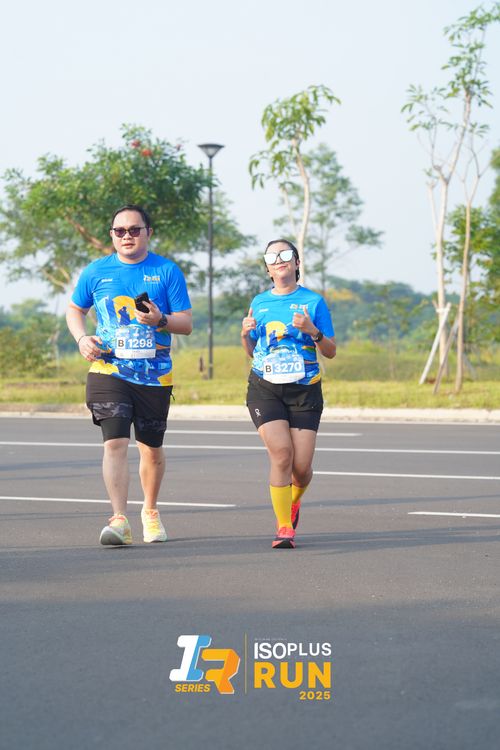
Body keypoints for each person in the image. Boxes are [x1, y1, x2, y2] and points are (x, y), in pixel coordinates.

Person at [66, 204, 192, 546]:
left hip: (154, 376)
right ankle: (119, 519)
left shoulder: (166, 271)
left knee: (151, 449)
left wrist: (160, 320)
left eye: (134, 230)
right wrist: (82, 339)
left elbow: (186, 323)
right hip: (108, 369)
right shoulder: (97, 271)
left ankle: (149, 510)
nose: (127, 236)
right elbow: (75, 309)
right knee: (115, 442)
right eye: (119, 231)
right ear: (112, 235)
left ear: (148, 233)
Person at [241, 239, 336, 549]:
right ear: (267, 269)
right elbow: (252, 351)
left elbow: (330, 350)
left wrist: (312, 331)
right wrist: (244, 334)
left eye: (284, 254)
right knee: (282, 454)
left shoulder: (313, 302)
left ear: (296, 263)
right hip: (265, 387)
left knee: (302, 469)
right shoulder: (259, 302)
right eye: (272, 257)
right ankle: (284, 527)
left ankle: (293, 502)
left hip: (304, 390)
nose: (278, 260)